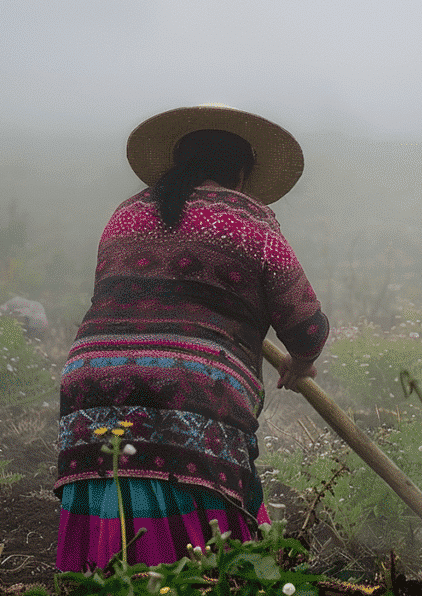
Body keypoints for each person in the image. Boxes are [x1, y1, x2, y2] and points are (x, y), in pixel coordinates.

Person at [55, 106, 328, 571]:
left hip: (92, 385)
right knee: (211, 554)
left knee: (117, 510)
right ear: (240, 171)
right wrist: (302, 361)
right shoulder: (250, 218)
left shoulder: (124, 214)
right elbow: (305, 324)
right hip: (190, 391)